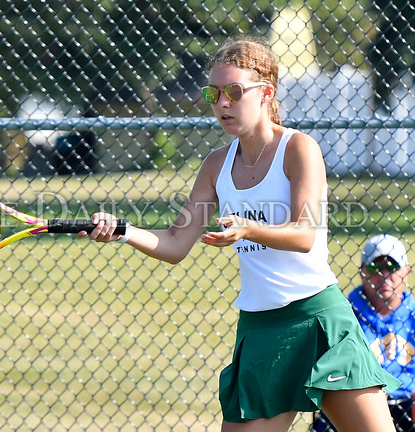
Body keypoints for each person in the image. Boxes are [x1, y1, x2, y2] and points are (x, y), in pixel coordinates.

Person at [78, 35, 400, 432]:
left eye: (234, 91)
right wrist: (124, 231)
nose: (222, 104)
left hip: (319, 321)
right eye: (214, 93)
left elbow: (304, 235)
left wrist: (249, 228)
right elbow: (177, 243)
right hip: (261, 330)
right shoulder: (216, 165)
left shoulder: (299, 148)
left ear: (266, 92)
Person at [313, 234, 415, 432]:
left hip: (408, 403)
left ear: (407, 272)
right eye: (375, 267)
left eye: (393, 267)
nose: (384, 275)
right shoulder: (345, 314)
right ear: (363, 273)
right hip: (359, 399)